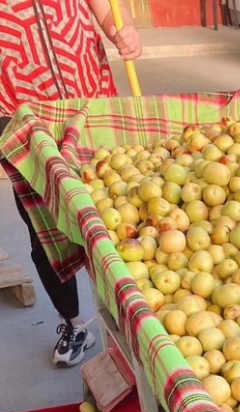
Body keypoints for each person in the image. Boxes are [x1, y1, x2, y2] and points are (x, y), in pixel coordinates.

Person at [0, 0, 141, 367]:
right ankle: (74, 323)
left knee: (119, 217)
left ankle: (138, 319)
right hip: (25, 120)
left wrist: (121, 32)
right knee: (45, 232)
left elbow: (107, 10)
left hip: (89, 105)